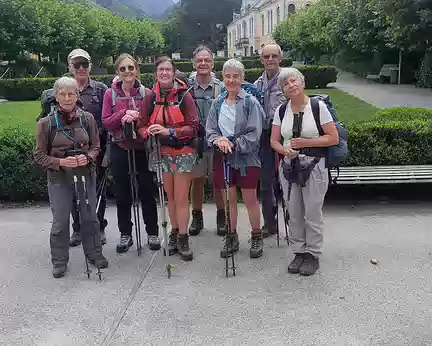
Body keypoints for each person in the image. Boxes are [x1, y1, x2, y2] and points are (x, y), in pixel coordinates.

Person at [34, 76, 108, 278]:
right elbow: (39, 155)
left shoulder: (87, 119)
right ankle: (59, 261)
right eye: (62, 94)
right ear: (56, 97)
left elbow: (96, 147)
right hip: (59, 178)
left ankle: (94, 254)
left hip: (85, 175)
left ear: (77, 95)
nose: (67, 98)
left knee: (90, 217)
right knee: (60, 220)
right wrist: (60, 162)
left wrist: (88, 158)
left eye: (71, 93)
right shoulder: (45, 123)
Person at [270, 67, 339, 276]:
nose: (290, 86)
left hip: (314, 166)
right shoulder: (281, 110)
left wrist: (306, 142)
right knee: (295, 211)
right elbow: (274, 140)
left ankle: (313, 253)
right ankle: (298, 251)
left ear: (302, 83)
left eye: (293, 81)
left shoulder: (317, 107)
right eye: (285, 84)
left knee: (312, 212)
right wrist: (284, 150)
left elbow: (333, 138)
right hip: (289, 167)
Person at [137, 56, 199, 261]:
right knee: (169, 197)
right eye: (161, 70)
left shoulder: (185, 96)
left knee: (181, 198)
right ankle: (174, 231)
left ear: (174, 73)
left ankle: (183, 237)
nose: (164, 73)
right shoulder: (150, 97)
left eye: (168, 70)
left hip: (182, 153)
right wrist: (148, 132)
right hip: (161, 153)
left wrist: (169, 132)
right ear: (156, 73)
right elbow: (141, 124)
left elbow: (193, 126)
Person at [102, 53, 160, 253]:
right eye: (123, 68)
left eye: (131, 68)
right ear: (118, 72)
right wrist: (122, 115)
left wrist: (139, 118)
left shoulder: (147, 93)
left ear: (137, 70)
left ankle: (152, 232)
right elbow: (106, 122)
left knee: (147, 190)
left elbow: (154, 120)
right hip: (119, 146)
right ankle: (125, 233)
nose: (127, 72)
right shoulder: (110, 94)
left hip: (141, 147)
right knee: (123, 193)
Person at [206, 59, 264, 259]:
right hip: (223, 158)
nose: (231, 80)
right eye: (228, 76)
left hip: (247, 159)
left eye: (235, 76)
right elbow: (210, 130)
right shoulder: (217, 103)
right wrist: (219, 140)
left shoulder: (250, 102)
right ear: (223, 78)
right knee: (229, 199)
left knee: (250, 199)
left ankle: (256, 235)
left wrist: (234, 144)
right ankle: (231, 236)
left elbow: (254, 133)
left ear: (242, 78)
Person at [188, 45, 226, 236]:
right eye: (199, 60)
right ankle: (197, 216)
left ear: (213, 63)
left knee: (219, 181)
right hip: (195, 143)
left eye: (207, 60)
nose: (203, 63)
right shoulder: (186, 88)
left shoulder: (222, 87)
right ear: (194, 63)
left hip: (217, 142)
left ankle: (222, 216)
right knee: (197, 180)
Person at [254, 43, 286, 238]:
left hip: (286, 137)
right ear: (261, 60)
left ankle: (293, 221)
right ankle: (270, 223)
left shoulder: (288, 79)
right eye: (266, 56)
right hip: (264, 138)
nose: (271, 59)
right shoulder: (257, 84)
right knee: (265, 183)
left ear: (280, 58)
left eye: (274, 56)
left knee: (289, 181)